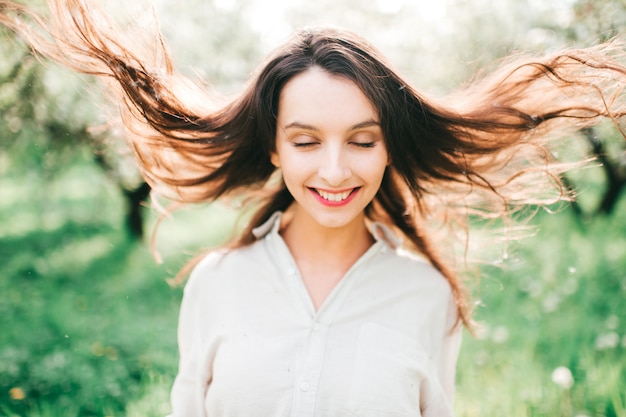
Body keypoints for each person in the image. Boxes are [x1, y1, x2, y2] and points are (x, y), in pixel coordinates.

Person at [2, 1, 626, 416]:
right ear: (273, 148)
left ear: (389, 149)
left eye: (362, 140)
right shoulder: (218, 283)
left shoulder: (425, 294)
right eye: (305, 141)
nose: (334, 170)